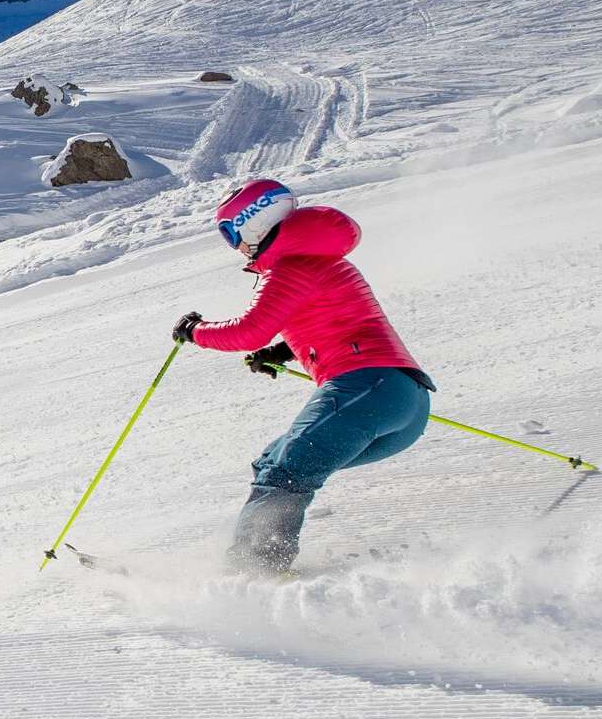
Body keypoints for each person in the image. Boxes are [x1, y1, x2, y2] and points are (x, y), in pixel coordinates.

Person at [174, 180, 433, 572]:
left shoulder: (290, 267)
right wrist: (284, 351)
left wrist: (195, 331)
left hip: (365, 388)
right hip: (400, 401)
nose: (235, 246)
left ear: (253, 223)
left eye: (231, 233)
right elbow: (340, 322)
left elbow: (249, 331)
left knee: (286, 472)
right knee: (272, 463)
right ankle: (258, 563)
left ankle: (255, 571)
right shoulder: (321, 260)